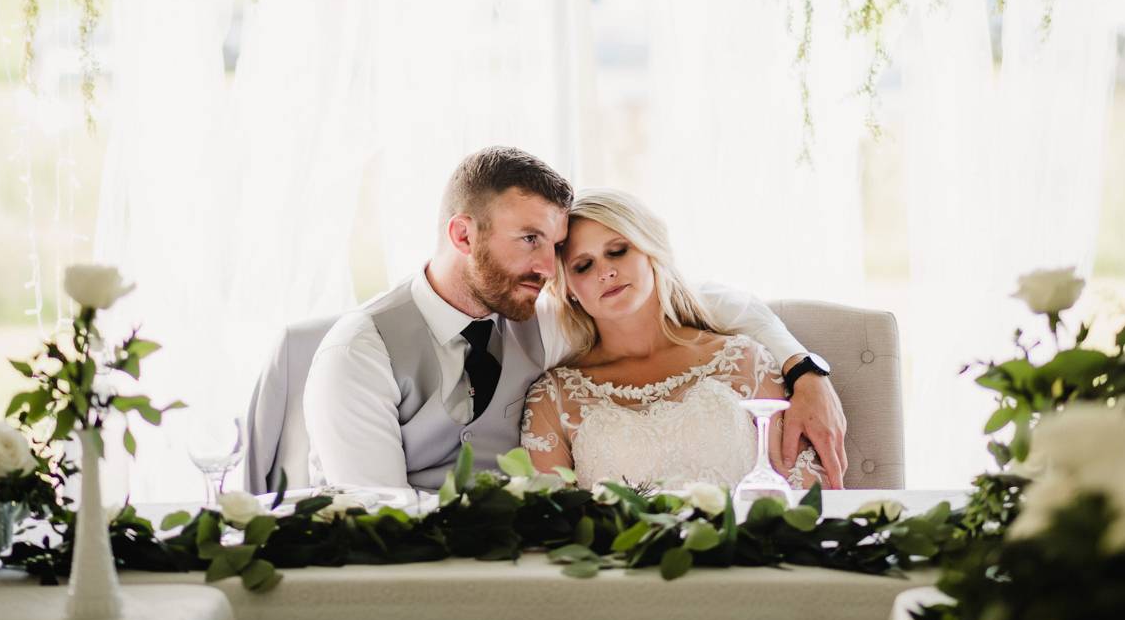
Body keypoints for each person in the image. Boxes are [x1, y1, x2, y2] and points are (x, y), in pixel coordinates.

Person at [303, 147, 847, 491]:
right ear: (464, 236)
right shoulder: (360, 353)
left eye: (557, 247)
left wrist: (804, 371)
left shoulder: (533, 312)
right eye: (531, 241)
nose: (550, 267)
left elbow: (707, 302)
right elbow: (375, 517)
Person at [520, 189, 823, 488]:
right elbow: (552, 526)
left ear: (650, 251)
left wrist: (810, 373)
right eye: (583, 266)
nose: (606, 272)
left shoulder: (745, 361)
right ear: (569, 289)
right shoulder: (552, 398)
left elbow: (805, 493)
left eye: (617, 251)